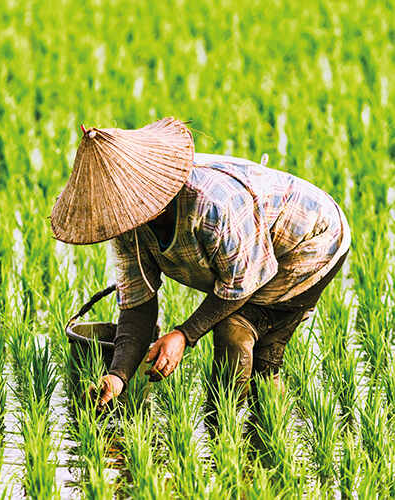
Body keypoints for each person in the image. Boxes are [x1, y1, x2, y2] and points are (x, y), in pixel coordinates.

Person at [49, 118, 350, 422]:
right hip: (253, 255)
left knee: (236, 330)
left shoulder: (211, 206)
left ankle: (225, 431)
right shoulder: (128, 227)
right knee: (258, 360)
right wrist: (117, 377)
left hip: (311, 240)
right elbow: (138, 307)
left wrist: (183, 334)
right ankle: (250, 437)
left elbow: (239, 284)